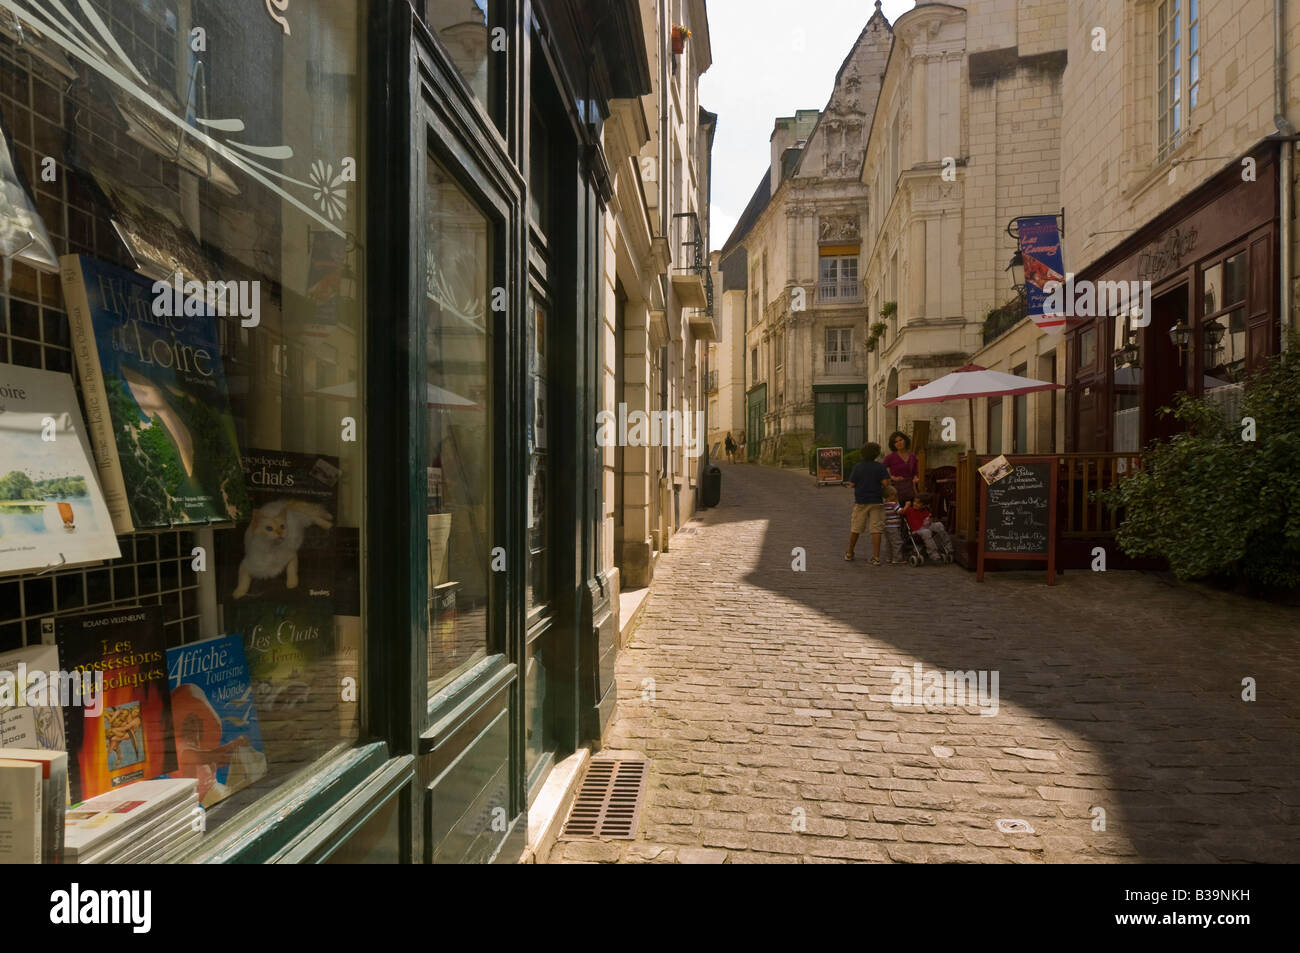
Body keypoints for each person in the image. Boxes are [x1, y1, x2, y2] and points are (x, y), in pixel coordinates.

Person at [845, 441, 891, 566]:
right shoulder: (880, 467)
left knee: (856, 528)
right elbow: (886, 483)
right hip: (876, 500)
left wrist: (850, 484)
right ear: (876, 454)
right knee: (876, 529)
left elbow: (852, 484)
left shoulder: (858, 467)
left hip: (861, 501)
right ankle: (876, 557)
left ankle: (849, 552)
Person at [903, 492, 952, 562]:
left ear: (924, 506)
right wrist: (906, 506)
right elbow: (901, 512)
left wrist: (929, 521)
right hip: (916, 532)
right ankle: (934, 555)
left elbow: (929, 523)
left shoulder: (925, 512)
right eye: (914, 502)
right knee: (926, 531)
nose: (915, 504)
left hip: (925, 528)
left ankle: (948, 549)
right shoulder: (909, 510)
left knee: (939, 525)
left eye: (918, 503)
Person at [883, 430, 920, 505]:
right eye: (896, 442)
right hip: (896, 491)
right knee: (897, 513)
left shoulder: (912, 456)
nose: (899, 443)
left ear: (905, 440)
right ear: (893, 445)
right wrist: (892, 477)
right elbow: (880, 470)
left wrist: (916, 478)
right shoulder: (890, 457)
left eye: (901, 440)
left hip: (910, 490)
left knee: (910, 513)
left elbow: (915, 472)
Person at [881, 484, 907, 564]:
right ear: (890, 495)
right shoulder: (894, 504)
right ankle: (897, 558)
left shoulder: (884, 505)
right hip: (894, 526)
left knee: (889, 543)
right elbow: (900, 511)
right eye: (894, 495)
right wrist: (906, 506)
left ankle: (889, 557)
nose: (896, 497)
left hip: (886, 526)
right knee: (897, 542)